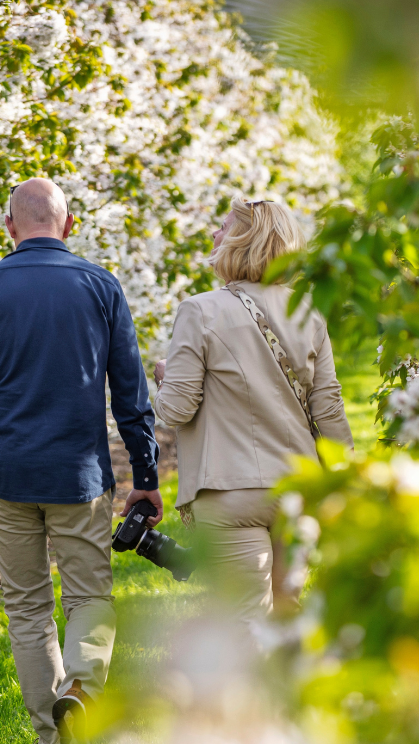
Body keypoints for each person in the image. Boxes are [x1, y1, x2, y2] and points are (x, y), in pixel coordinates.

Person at [0, 179, 159, 744]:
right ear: (70, 223)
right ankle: (80, 694)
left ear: (10, 226)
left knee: (27, 606)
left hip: (4, 471)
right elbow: (131, 395)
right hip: (78, 473)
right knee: (89, 596)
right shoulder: (100, 287)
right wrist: (146, 474)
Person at [153, 198, 349, 614]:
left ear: (243, 240)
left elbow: (175, 411)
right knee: (287, 613)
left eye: (223, 227)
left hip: (230, 488)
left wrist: (164, 377)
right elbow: (328, 406)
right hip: (298, 486)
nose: (213, 235)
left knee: (244, 619)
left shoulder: (200, 310)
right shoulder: (308, 312)